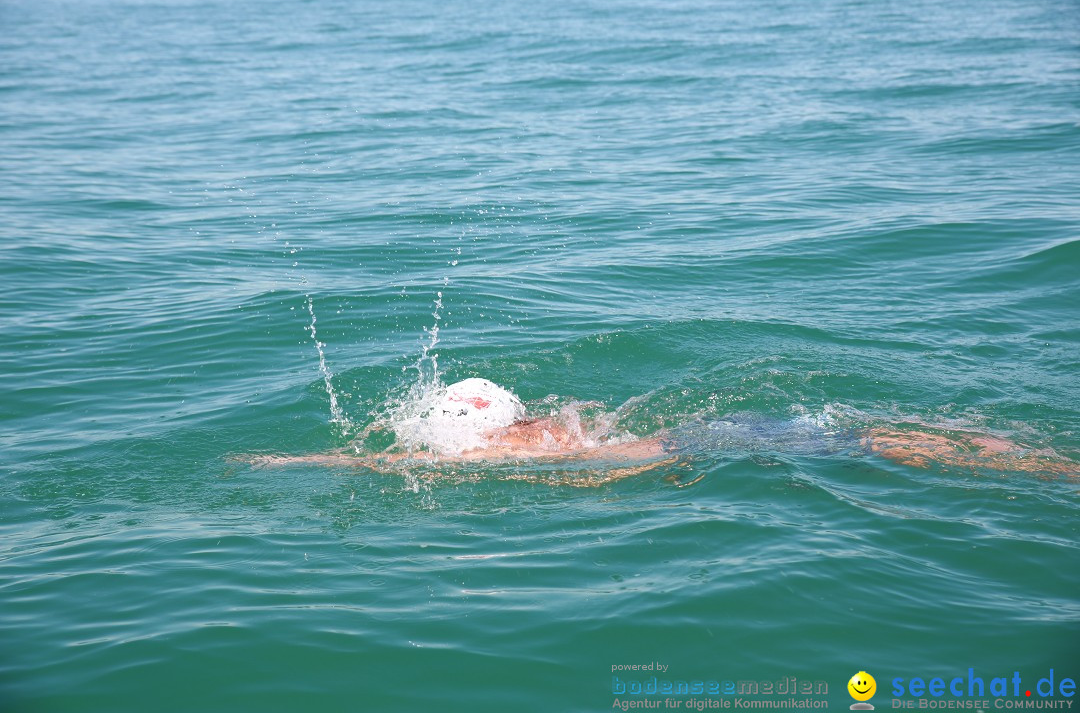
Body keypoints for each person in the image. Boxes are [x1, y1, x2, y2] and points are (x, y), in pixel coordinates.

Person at [240, 378, 1077, 483]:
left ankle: (1044, 466)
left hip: (720, 442)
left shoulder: (514, 451)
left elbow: (632, 461)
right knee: (867, 429)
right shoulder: (554, 424)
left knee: (871, 444)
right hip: (721, 426)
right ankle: (998, 441)